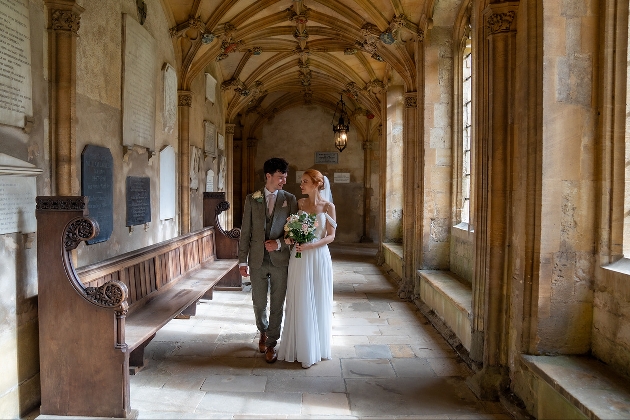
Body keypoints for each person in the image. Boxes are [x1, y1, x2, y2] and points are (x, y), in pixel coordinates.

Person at [239, 158, 298, 363]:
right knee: (259, 302)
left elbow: (294, 232)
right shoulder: (251, 199)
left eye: (285, 177)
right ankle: (262, 329)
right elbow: (245, 232)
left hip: (280, 260)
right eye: (280, 177)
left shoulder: (289, 199)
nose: (283, 181)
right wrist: (241, 261)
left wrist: (279, 244)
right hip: (256, 260)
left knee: (277, 303)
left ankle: (272, 342)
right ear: (268, 176)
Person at [278, 169, 337, 368]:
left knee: (318, 297)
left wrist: (311, 245)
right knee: (299, 298)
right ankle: (299, 347)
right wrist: (291, 238)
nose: (301, 185)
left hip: (318, 255)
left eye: (305, 181)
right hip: (299, 256)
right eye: (301, 181)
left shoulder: (328, 207)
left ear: (316, 184)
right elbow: (293, 227)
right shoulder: (300, 204)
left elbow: (331, 236)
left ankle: (315, 348)